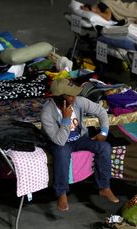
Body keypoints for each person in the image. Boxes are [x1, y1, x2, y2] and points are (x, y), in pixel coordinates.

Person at [41, 78, 119, 211]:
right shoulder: (47, 113)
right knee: (62, 153)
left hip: (79, 139)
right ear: (60, 97)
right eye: (70, 95)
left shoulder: (78, 102)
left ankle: (104, 187)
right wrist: (66, 119)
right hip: (59, 142)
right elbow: (59, 141)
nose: (74, 97)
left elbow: (101, 111)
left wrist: (104, 132)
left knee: (104, 147)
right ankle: (62, 194)